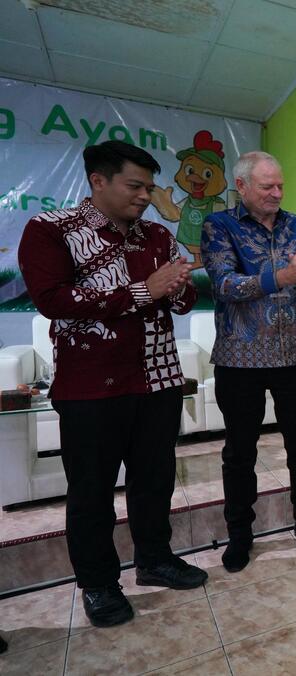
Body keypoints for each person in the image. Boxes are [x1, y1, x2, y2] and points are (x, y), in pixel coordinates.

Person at [18, 140, 207, 627]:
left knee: (155, 480)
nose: (146, 196)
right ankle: (99, 584)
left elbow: (181, 303)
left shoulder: (157, 236)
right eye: (135, 185)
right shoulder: (50, 230)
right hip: (89, 389)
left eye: (149, 186)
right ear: (98, 181)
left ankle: (155, 560)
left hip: (159, 378)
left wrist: (179, 284)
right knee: (92, 492)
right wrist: (147, 290)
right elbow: (53, 299)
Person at [202, 151, 296, 572]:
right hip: (239, 358)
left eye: (280, 185)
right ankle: (240, 536)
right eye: (267, 187)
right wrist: (284, 277)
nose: (277, 193)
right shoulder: (218, 226)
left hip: (295, 353)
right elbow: (224, 284)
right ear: (241, 187)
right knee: (240, 451)